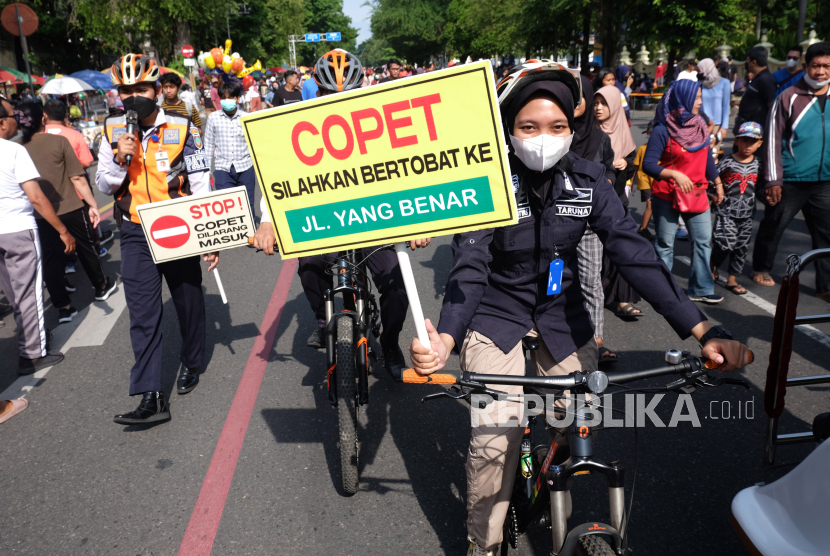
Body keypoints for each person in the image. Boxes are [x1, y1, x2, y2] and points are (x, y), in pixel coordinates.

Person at [406, 62, 752, 556]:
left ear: (573, 127)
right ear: (508, 130)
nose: (543, 137)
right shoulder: (485, 181)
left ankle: (550, 464)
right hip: (494, 316)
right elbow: (470, 265)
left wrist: (703, 329)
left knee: (576, 423)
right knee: (493, 443)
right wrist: (445, 338)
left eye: (557, 126)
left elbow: (634, 253)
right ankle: (481, 547)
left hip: (562, 318)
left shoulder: (590, 181)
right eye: (528, 127)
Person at [252, 48, 426, 379]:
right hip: (327, 221)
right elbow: (277, 175)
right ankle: (325, 320)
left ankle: (390, 342)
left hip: (376, 220)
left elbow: (408, 170)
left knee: (396, 285)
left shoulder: (381, 121)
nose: (339, 100)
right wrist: (267, 221)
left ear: (363, 87)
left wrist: (418, 221)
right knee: (310, 264)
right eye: (331, 93)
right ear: (318, 90)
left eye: (348, 93)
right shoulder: (297, 125)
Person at [96, 54, 217, 425]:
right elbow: (103, 184)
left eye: (141, 89)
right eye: (126, 90)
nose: (133, 96)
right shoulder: (111, 128)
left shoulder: (183, 127)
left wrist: (209, 232)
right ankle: (150, 395)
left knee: (188, 300)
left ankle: (192, 361)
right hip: (134, 229)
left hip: (178, 224)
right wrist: (120, 158)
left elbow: (199, 179)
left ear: (156, 88)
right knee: (144, 314)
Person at [17, 101, 117, 323]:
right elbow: (78, 178)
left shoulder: (17, 148)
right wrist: (92, 204)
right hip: (70, 207)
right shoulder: (59, 141)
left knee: (51, 260)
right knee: (86, 248)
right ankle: (101, 287)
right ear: (43, 118)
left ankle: (63, 307)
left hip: (38, 213)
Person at [0, 97, 74, 378]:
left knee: (13, 294)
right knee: (28, 293)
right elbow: (36, 197)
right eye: (12, 114)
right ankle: (33, 353)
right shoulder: (14, 152)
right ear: (2, 122)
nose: (16, 119)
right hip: (18, 229)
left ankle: (27, 342)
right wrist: (63, 230)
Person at [753, 42, 830, 295]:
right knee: (774, 224)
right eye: (816, 66)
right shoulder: (788, 97)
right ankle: (761, 268)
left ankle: (826, 286)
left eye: (826, 66)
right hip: (791, 179)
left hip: (825, 181)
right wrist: (773, 179)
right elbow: (773, 140)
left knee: (826, 235)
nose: (821, 72)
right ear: (806, 67)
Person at [644, 80, 726, 304]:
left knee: (702, 242)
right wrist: (674, 174)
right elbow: (648, 164)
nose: (700, 101)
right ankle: (663, 291)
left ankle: (701, 289)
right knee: (664, 244)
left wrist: (718, 184)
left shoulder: (700, 125)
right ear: (684, 98)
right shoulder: (663, 129)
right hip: (666, 194)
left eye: (700, 97)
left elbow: (707, 158)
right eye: (697, 97)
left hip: (697, 194)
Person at [571, 75, 619, 364]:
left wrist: (608, 185)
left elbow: (610, 170)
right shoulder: (553, 134)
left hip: (589, 224)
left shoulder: (601, 139)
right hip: (554, 224)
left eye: (580, 98)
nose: (575, 104)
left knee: (590, 281)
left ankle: (596, 340)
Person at [594, 85, 643, 318]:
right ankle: (594, 297)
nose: (598, 108)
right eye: (595, 103)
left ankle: (622, 300)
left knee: (621, 247)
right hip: (591, 201)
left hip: (617, 200)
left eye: (603, 103)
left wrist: (626, 164)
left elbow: (633, 161)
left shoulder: (623, 130)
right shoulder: (588, 132)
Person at [43, 99, 115, 256]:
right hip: (77, 191)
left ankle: (68, 261)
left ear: (45, 115)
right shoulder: (74, 135)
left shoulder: (39, 135)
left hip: (49, 190)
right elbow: (87, 162)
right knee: (87, 224)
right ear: (64, 115)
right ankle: (96, 249)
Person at [711, 122, 762, 295]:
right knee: (725, 243)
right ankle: (713, 265)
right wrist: (713, 195)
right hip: (726, 212)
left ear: (760, 143)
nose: (748, 145)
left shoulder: (759, 165)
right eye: (744, 140)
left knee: (741, 247)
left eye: (752, 141)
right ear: (737, 141)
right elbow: (712, 181)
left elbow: (760, 187)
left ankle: (732, 279)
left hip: (747, 214)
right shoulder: (726, 162)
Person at [203, 82, 258, 219]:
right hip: (223, 168)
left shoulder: (246, 118)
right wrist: (207, 170)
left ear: (238, 99)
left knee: (247, 203)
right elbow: (209, 144)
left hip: (245, 167)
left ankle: (250, 233)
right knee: (227, 205)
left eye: (231, 97)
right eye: (223, 98)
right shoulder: (213, 118)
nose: (227, 101)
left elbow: (254, 144)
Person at [734, 46, 776, 137]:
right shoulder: (758, 78)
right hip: (747, 126)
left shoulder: (766, 79)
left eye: (748, 60)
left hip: (755, 131)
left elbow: (771, 106)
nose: (747, 63)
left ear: (754, 62)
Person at [698, 58, 731, 149]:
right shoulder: (700, 84)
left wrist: (724, 127)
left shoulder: (724, 83)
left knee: (714, 155)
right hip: (701, 124)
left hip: (717, 125)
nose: (699, 72)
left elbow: (725, 106)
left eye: (701, 69)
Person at [634, 121, 655, 240]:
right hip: (645, 181)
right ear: (648, 133)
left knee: (656, 206)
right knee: (650, 205)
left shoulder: (662, 149)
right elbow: (635, 166)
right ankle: (643, 228)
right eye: (651, 133)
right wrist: (631, 181)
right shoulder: (642, 148)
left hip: (657, 182)